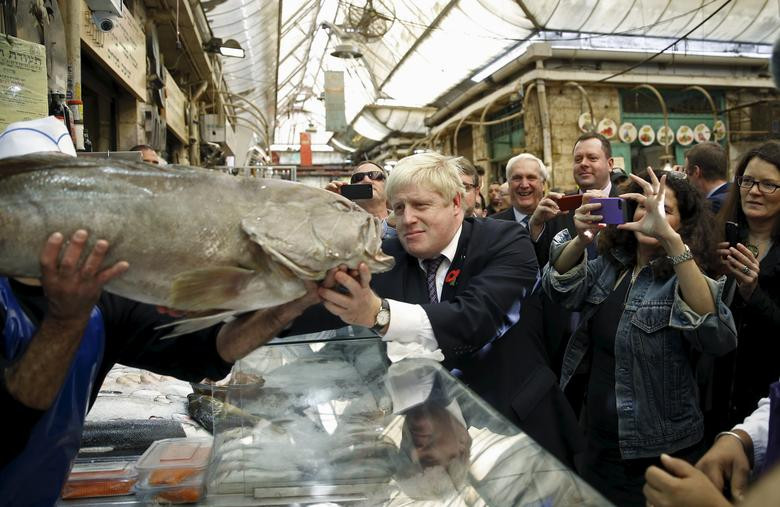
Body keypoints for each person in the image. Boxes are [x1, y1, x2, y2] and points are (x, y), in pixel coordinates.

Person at [289, 151, 582, 466]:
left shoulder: (505, 240)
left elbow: (476, 319)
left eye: (421, 205)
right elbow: (312, 305)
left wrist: (380, 314)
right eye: (399, 208)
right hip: (427, 434)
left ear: (456, 203)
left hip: (520, 436)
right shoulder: (387, 255)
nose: (407, 219)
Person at [0, 230, 319, 504]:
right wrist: (65, 321)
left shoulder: (102, 298)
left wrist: (286, 309)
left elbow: (205, 350)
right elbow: (10, 423)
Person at [541, 168, 737, 505]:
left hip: (660, 452)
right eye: (644, 206)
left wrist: (671, 242)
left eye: (665, 209)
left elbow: (716, 334)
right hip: (599, 442)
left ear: (683, 224)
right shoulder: (612, 265)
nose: (652, 215)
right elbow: (559, 288)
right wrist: (582, 238)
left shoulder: (684, 277)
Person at [709, 141, 780, 431]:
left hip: (767, 400)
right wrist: (709, 273)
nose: (754, 191)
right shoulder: (718, 236)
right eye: (747, 181)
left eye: (768, 184)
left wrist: (753, 293)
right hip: (715, 393)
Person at [326, 161, 395, 238]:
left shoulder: (402, 221)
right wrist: (324, 202)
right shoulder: (338, 226)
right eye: (358, 178)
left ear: (388, 187)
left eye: (375, 175)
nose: (366, 180)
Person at [491, 153, 547, 228]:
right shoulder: (492, 226)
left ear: (543, 184)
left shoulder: (560, 220)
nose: (524, 185)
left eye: (531, 178)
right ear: (509, 185)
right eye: (517, 178)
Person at [685, 142, 730, 213]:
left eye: (687, 172)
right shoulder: (733, 193)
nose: (687, 178)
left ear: (696, 171)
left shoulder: (714, 205)